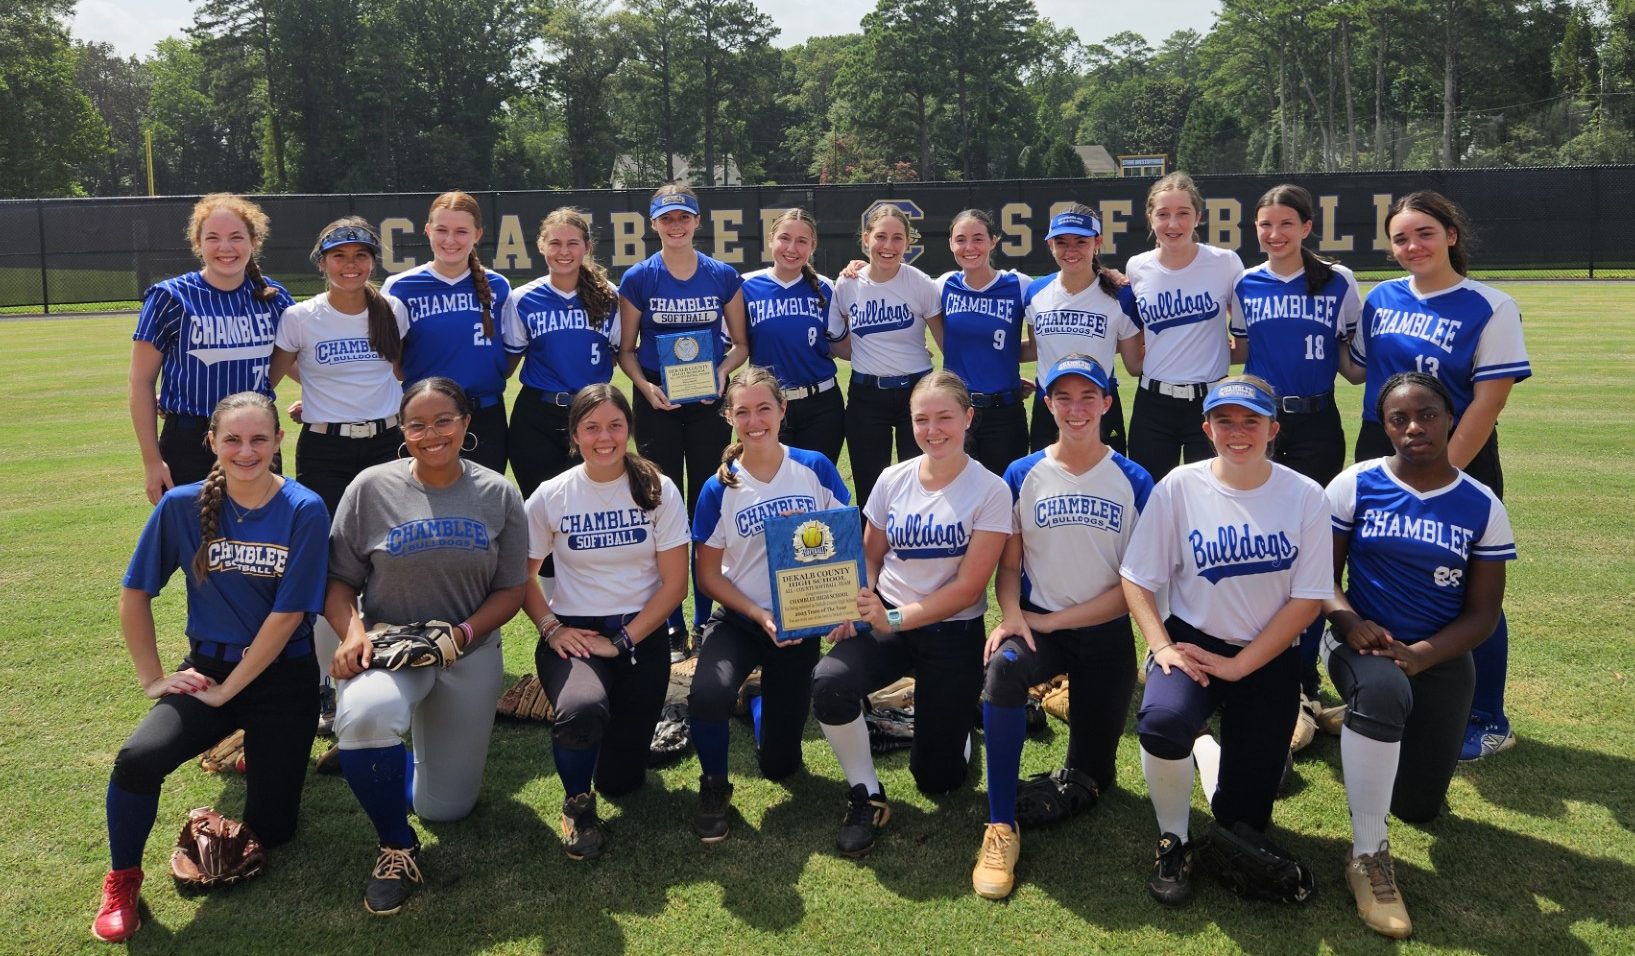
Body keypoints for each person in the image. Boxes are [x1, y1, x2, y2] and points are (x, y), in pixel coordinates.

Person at [94, 393, 327, 943]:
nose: (246, 451)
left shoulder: (303, 508)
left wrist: (230, 696)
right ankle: (122, 879)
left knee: (272, 832)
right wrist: (153, 678)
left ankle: (246, 744)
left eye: (259, 439)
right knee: (137, 760)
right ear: (212, 443)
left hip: (283, 677)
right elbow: (134, 593)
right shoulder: (180, 505)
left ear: (278, 441)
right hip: (207, 670)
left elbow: (287, 614)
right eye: (232, 439)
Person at [1120, 375, 1331, 906]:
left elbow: (1307, 601)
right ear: (1207, 427)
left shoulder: (1305, 496)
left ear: (1273, 429)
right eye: (1225, 421)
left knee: (1242, 822)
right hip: (1193, 641)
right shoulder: (1179, 486)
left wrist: (1240, 668)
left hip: (1269, 650)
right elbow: (1137, 577)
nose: (1238, 432)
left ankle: (1211, 751)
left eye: (1251, 421)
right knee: (1164, 724)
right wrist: (1161, 646)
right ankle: (1173, 837)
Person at [1323, 371, 1515, 939]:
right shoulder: (1356, 483)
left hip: (1439, 654)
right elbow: (1321, 580)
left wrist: (1425, 656)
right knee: (1382, 691)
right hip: (1360, 641)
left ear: (1450, 417)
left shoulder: (1481, 504)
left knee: (1418, 808)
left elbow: (1483, 615)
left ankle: (1360, 724)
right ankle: (1367, 855)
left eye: (1427, 414)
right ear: (1384, 427)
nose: (1414, 428)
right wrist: (1350, 620)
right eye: (1399, 419)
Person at [327, 377, 527, 916]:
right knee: (367, 717)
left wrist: (462, 634)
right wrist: (353, 633)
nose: (431, 433)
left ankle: (393, 762)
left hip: (469, 650)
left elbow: (512, 588)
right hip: (393, 647)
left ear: (467, 424)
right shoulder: (371, 487)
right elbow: (338, 581)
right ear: (401, 427)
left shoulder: (498, 493)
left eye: (444, 421)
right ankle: (396, 843)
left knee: (446, 809)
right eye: (417, 423)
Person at [1350, 190, 1531, 762]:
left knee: (1470, 585)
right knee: (1380, 572)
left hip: (1455, 454)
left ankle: (1487, 717)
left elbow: (1488, 401)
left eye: (1424, 233)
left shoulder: (1490, 304)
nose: (1412, 246)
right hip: (1380, 448)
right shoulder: (1379, 297)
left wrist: (1442, 471)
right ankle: (1388, 695)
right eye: (1400, 238)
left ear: (1451, 235)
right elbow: (1355, 368)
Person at [973, 355, 1153, 900]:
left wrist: (1050, 618)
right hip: (1038, 634)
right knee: (1003, 677)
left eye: (1088, 397)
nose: (1076, 409)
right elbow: (1009, 565)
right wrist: (1011, 615)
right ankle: (1000, 824)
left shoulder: (1135, 478)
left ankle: (1082, 764)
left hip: (1103, 638)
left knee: (1094, 777)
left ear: (1107, 402)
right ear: (1047, 404)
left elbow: (1132, 588)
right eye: (1063, 398)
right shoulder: (1022, 473)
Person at [810, 370, 1010, 856]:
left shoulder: (990, 490)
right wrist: (856, 604)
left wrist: (895, 618)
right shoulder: (892, 478)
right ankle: (867, 793)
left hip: (950, 632)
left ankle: (960, 723)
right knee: (828, 684)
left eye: (945, 417)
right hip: (890, 622)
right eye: (922, 419)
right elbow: (871, 553)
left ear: (968, 417)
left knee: (939, 781)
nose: (933, 429)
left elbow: (967, 590)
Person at [520, 384, 689, 860]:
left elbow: (675, 586)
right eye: (592, 427)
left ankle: (624, 748)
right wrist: (553, 628)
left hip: (640, 634)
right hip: (576, 636)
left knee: (623, 781)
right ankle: (577, 807)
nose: (605, 437)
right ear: (575, 435)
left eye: (616, 425)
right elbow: (521, 580)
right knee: (581, 711)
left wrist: (622, 640)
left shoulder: (657, 487)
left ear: (629, 430)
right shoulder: (553, 495)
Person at [687, 367, 852, 842]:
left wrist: (839, 605)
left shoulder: (814, 467)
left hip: (800, 622)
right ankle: (714, 786)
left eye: (765, 408)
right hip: (741, 619)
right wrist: (759, 614)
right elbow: (707, 575)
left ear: (783, 410)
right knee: (708, 696)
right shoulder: (720, 486)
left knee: (781, 765)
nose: (754, 420)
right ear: (729, 417)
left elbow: (844, 541)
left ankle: (759, 701)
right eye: (743, 411)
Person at [269, 218, 409, 731]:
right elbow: (273, 373)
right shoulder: (301, 316)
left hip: (387, 441)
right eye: (339, 256)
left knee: (388, 553)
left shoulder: (391, 308)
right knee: (332, 562)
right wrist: (319, 397)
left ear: (373, 261)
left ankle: (387, 658)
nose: (350, 265)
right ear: (322, 262)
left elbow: (399, 371)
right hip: (325, 448)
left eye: (360, 256)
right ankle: (330, 679)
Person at [1229, 184, 1363, 704]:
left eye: (1286, 224)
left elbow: (1353, 365)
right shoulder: (1246, 283)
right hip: (1259, 426)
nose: (1274, 234)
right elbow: (1240, 351)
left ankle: (1304, 671)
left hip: (1316, 425)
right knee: (1258, 541)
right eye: (1265, 225)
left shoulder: (1338, 281)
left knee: (1312, 548)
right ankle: (1256, 655)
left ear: (1307, 228)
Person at [616, 183, 750, 662]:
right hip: (657, 398)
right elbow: (626, 350)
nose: (676, 226)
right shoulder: (639, 278)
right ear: (654, 224)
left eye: (684, 217)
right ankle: (670, 621)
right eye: (666, 219)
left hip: (708, 398)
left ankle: (705, 618)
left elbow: (740, 344)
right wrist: (646, 387)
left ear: (697, 221)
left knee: (709, 499)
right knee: (661, 504)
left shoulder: (721, 275)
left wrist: (721, 371)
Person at [130, 193, 294, 505]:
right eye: (213, 238)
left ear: (254, 241)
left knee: (258, 543)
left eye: (236, 237)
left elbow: (293, 360)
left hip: (256, 439)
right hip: (189, 442)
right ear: (198, 243)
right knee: (195, 549)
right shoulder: (170, 297)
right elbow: (140, 381)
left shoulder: (273, 296)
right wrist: (152, 462)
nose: (225, 247)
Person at [1123, 173, 1244, 483]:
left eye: (1183, 214)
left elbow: (1244, 334)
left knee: (1210, 496)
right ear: (1150, 217)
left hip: (1210, 400)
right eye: (1163, 214)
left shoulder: (1225, 263)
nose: (1172, 224)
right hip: (1153, 402)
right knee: (1149, 498)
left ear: (1198, 217)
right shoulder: (1137, 267)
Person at [382, 191, 514, 476]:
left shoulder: (498, 286)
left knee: (485, 510)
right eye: (441, 230)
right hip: (424, 418)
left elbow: (508, 356)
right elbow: (389, 359)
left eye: (461, 231)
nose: (450, 240)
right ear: (428, 230)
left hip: (485, 414)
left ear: (477, 234)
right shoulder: (400, 287)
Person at [504, 208, 621, 503]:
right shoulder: (522, 299)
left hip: (591, 412)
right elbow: (508, 363)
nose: (564, 251)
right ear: (542, 246)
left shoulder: (610, 296)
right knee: (540, 506)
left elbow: (620, 353)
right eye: (555, 243)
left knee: (589, 505)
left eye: (573, 243)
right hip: (537, 415)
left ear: (587, 247)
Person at [833, 204, 945, 509]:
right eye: (881, 236)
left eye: (898, 238)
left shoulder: (921, 283)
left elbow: (946, 344)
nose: (888, 246)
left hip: (916, 393)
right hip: (866, 396)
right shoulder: (847, 283)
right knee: (870, 490)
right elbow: (835, 341)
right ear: (866, 239)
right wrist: (866, 357)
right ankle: (872, 556)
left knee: (921, 485)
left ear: (908, 243)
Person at [1023, 207, 1143, 454]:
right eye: (1062, 242)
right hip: (1048, 405)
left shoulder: (1122, 295)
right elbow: (1036, 349)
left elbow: (1134, 365)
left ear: (1097, 243)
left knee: (1108, 484)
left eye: (1081, 241)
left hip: (1100, 405)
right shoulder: (1035, 292)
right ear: (1050, 245)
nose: (1071, 250)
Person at [740, 208, 848, 461]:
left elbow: (842, 347)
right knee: (771, 485)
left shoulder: (825, 287)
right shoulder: (745, 286)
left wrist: (895, 341)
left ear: (812, 246)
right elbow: (728, 343)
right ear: (770, 240)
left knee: (817, 485)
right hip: (768, 405)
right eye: (785, 238)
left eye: (802, 241)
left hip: (822, 405)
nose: (792, 248)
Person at [937, 209, 1031, 477]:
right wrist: (859, 265)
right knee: (956, 496)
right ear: (951, 244)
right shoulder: (943, 285)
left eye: (978, 238)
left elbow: (1035, 346)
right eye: (961, 239)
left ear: (993, 241)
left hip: (1004, 412)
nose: (969, 247)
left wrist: (1002, 360)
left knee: (1004, 496)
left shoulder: (1019, 285)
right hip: (957, 411)